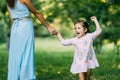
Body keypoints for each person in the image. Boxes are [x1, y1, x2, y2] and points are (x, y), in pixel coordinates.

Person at [6, 0, 58, 80]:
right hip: (25, 26)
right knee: (26, 54)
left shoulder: (8, 1)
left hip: (15, 29)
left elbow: (11, 18)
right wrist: (48, 26)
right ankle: (27, 77)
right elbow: (36, 12)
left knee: (15, 55)